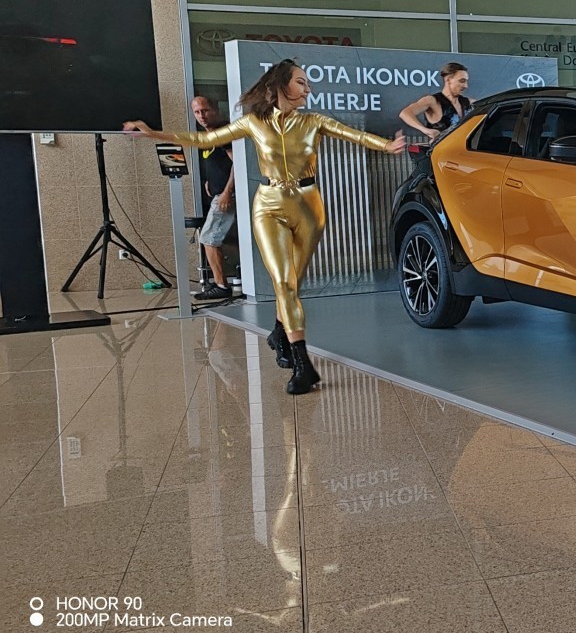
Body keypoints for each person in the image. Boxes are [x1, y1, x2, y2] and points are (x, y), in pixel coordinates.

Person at [125, 59, 406, 395]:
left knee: (293, 284)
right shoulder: (253, 122)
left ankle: (279, 332)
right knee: (284, 282)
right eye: (301, 82)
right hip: (268, 206)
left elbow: (354, 135)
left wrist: (387, 146)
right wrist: (152, 133)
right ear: (282, 86)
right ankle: (303, 365)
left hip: (309, 207)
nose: (308, 89)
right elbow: (203, 139)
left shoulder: (314, 122)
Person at [190, 95, 236, 301]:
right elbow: (216, 162)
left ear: (215, 110)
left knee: (208, 238)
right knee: (211, 238)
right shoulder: (208, 136)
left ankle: (221, 286)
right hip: (218, 192)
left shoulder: (223, 133)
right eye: (197, 112)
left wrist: (227, 192)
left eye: (205, 110)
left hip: (227, 194)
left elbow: (237, 163)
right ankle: (222, 282)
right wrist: (210, 181)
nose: (202, 116)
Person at [398, 62, 472, 142]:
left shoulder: (470, 102)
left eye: (466, 81)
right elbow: (405, 113)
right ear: (448, 80)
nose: (466, 86)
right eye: (462, 81)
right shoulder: (432, 101)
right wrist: (426, 130)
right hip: (441, 149)